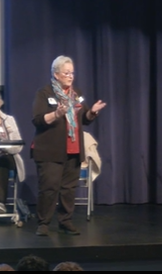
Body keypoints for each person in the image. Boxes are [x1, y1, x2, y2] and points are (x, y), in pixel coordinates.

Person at [31, 55, 105, 237]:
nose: (71, 76)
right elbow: (38, 120)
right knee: (49, 188)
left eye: (72, 73)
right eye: (66, 73)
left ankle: (65, 221)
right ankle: (43, 223)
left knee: (68, 189)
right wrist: (56, 113)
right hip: (50, 150)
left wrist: (92, 113)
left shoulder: (76, 94)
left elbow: (84, 119)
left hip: (73, 149)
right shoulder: (45, 93)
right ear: (56, 74)